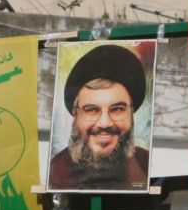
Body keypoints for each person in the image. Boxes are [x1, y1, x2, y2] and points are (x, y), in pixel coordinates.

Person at [48, 44, 150, 191]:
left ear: (131, 113)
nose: (105, 123)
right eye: (91, 110)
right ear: (76, 114)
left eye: (117, 109)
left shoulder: (148, 167)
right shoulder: (54, 175)